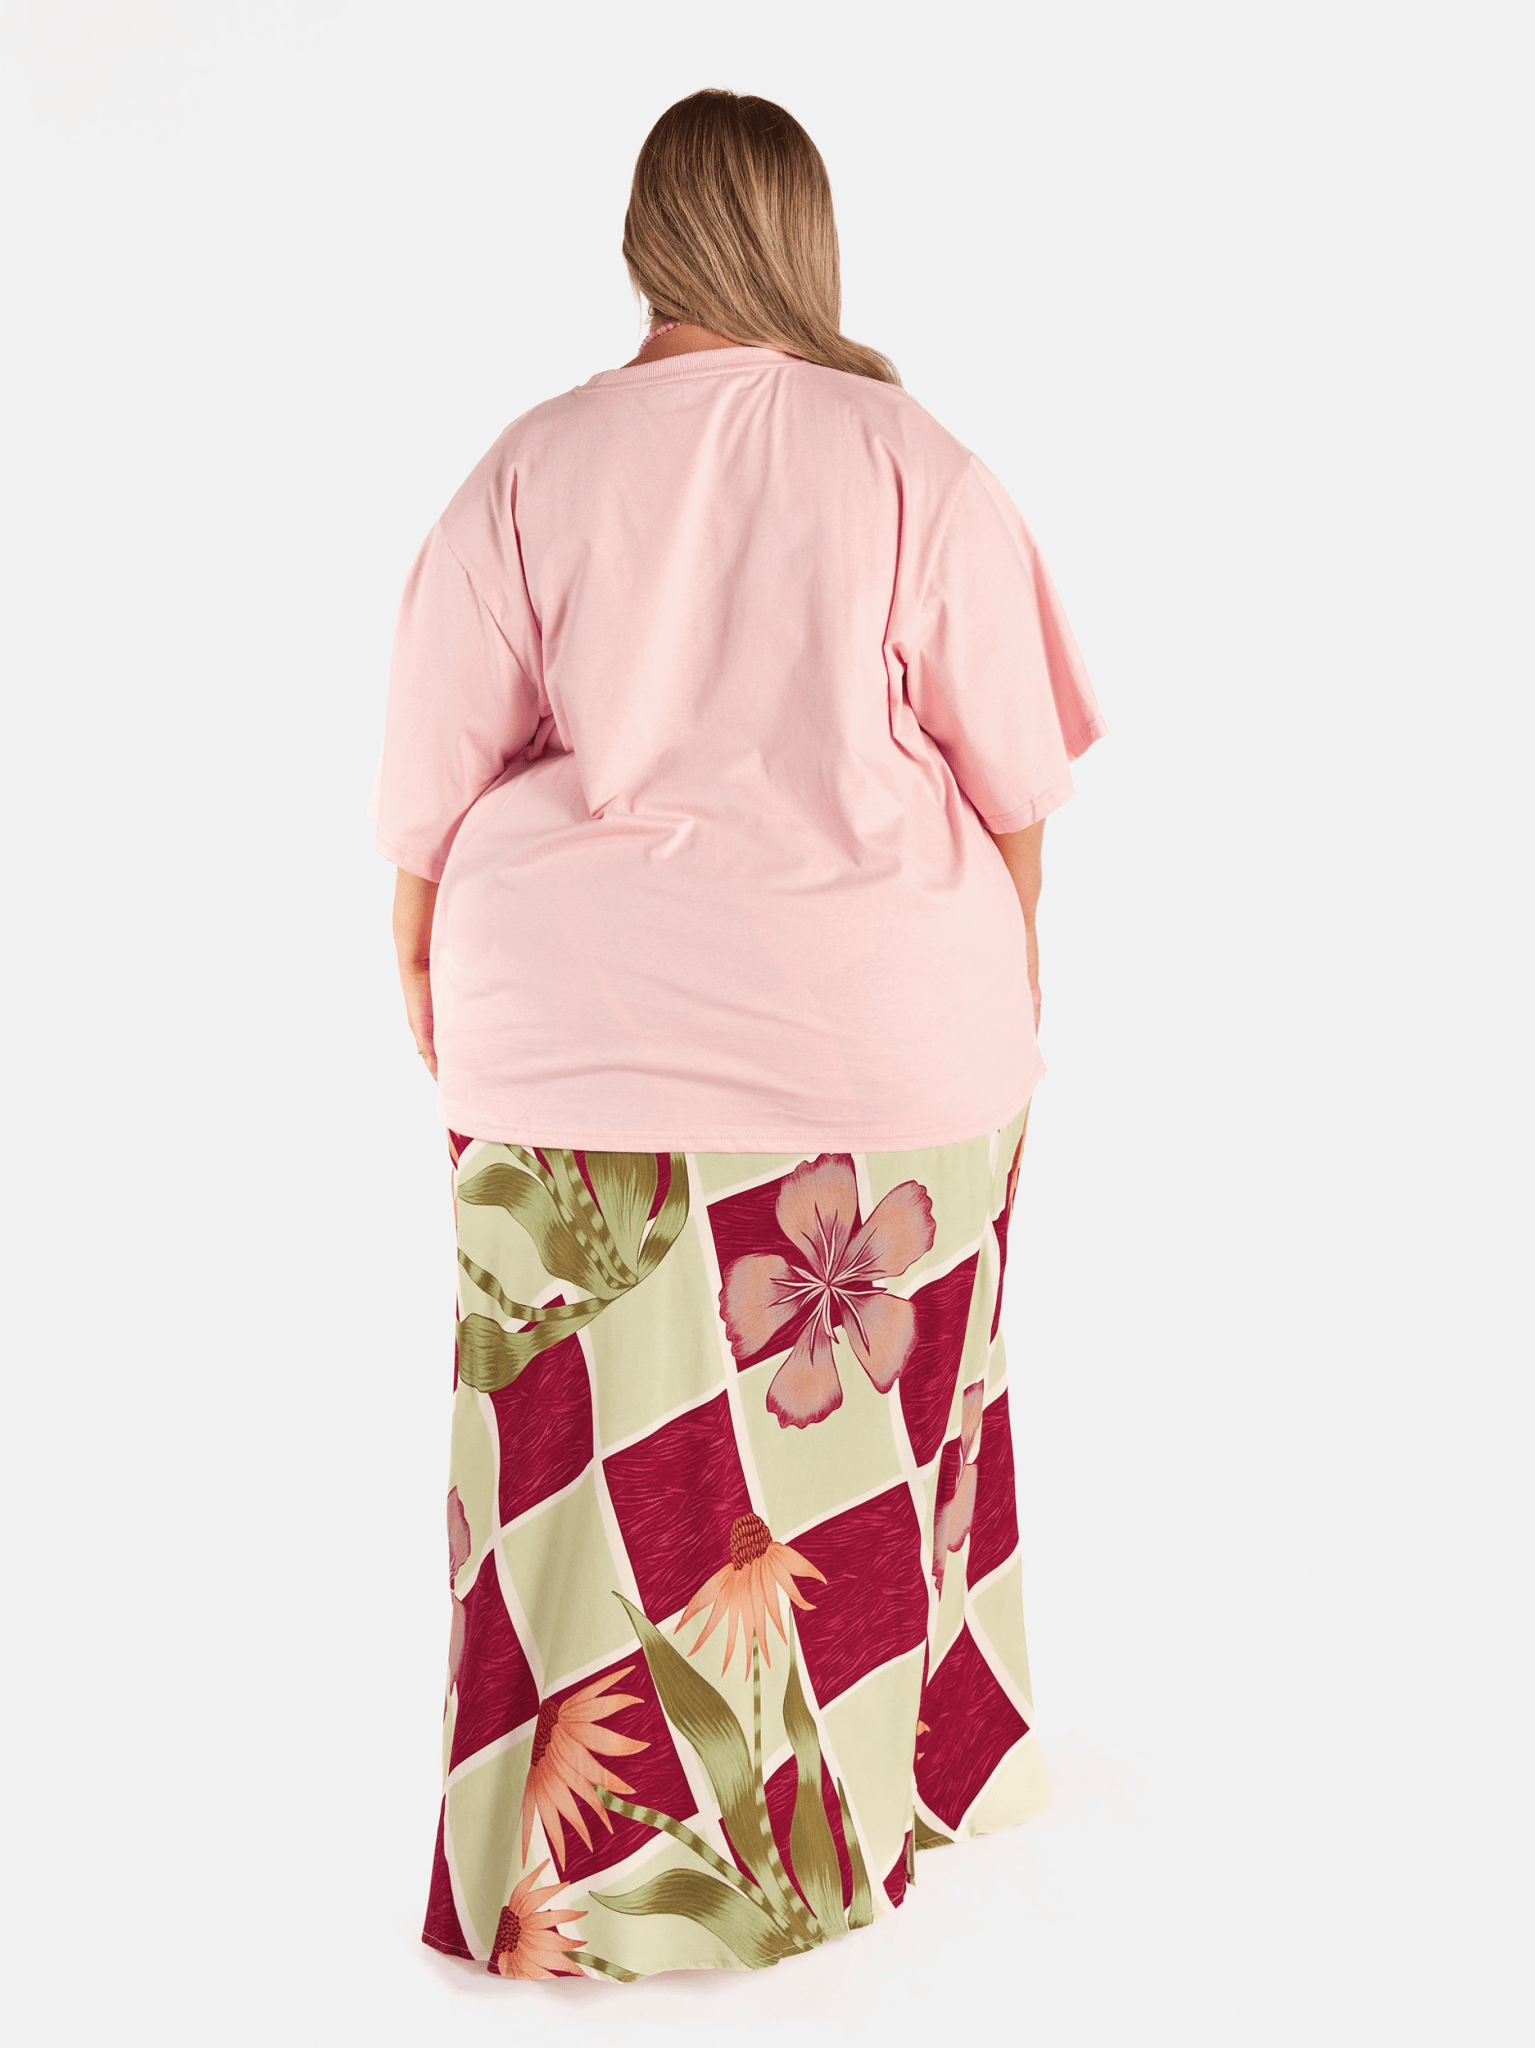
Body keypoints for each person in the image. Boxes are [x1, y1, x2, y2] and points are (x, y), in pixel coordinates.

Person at [374, 87, 1106, 1983]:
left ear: (645, 240)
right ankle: (871, 1808)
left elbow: (425, 793)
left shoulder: (529, 466)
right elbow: (1017, 780)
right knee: (861, 1450)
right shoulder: (910, 459)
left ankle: (554, 1888)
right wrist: (1006, 974)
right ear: (803, 233)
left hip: (571, 1042)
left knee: (563, 1475)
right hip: (887, 1046)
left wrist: (427, 967)